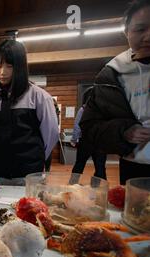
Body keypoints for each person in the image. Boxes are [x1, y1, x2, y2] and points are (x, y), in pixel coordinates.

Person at [80, 0, 150, 184]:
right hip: (133, 166)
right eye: (140, 29)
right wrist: (124, 132)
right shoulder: (112, 74)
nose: (148, 36)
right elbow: (90, 128)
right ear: (127, 32)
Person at [0, 40, 59, 186]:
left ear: (20, 67)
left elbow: (51, 134)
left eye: (9, 66)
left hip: (28, 174)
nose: (2, 72)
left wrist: (34, 159)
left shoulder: (39, 97)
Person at [70, 88, 107, 182]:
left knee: (79, 164)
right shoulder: (104, 111)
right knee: (100, 167)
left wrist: (74, 139)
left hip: (85, 141)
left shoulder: (83, 109)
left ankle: (73, 183)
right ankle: (97, 188)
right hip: (101, 142)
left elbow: (77, 126)